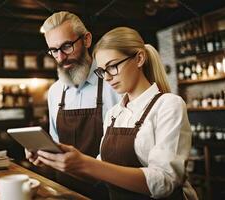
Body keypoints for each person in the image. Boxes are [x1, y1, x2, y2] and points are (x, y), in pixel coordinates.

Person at [31, 27, 198, 200]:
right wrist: (55, 158)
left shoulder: (168, 105)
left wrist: (86, 163)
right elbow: (100, 172)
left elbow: (164, 182)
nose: (107, 78)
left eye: (112, 67)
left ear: (139, 58)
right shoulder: (114, 113)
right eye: (102, 71)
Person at [25, 11, 120, 198]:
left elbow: (126, 151)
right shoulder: (54, 92)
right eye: (53, 50)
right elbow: (56, 144)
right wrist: (44, 154)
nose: (60, 58)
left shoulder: (114, 84)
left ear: (86, 39)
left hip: (107, 191)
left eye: (67, 46)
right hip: (64, 190)